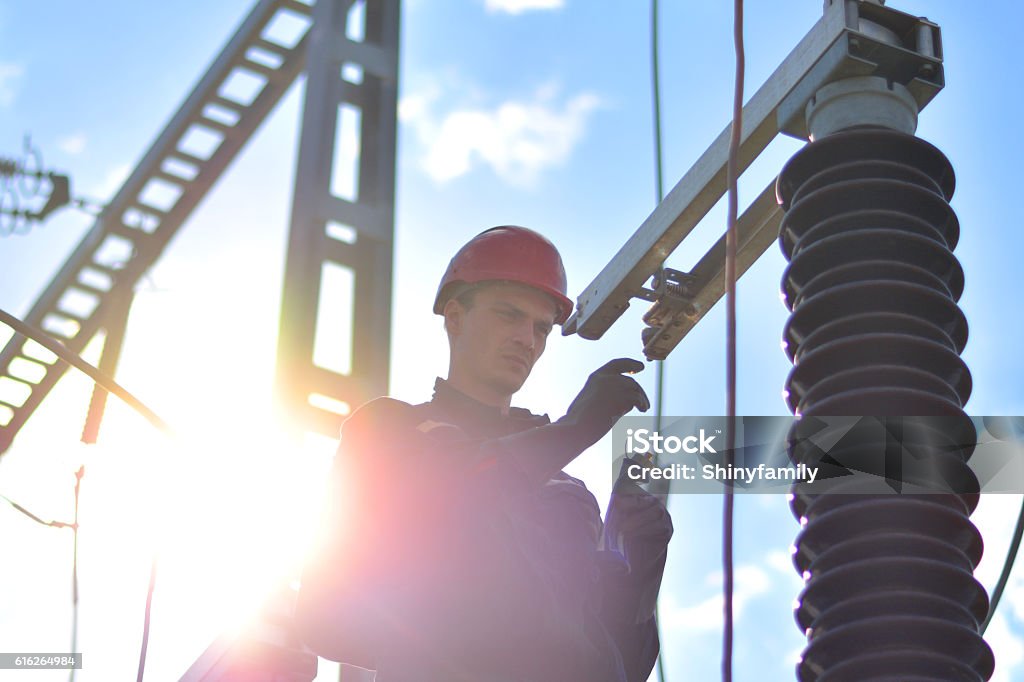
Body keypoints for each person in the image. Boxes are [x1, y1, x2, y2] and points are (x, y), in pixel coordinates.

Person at [296, 226, 673, 681]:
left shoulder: (566, 492)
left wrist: (638, 569)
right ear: (454, 317)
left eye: (540, 327)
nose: (526, 339)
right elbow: (455, 497)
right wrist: (573, 431)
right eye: (508, 315)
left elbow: (615, 663)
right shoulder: (392, 430)